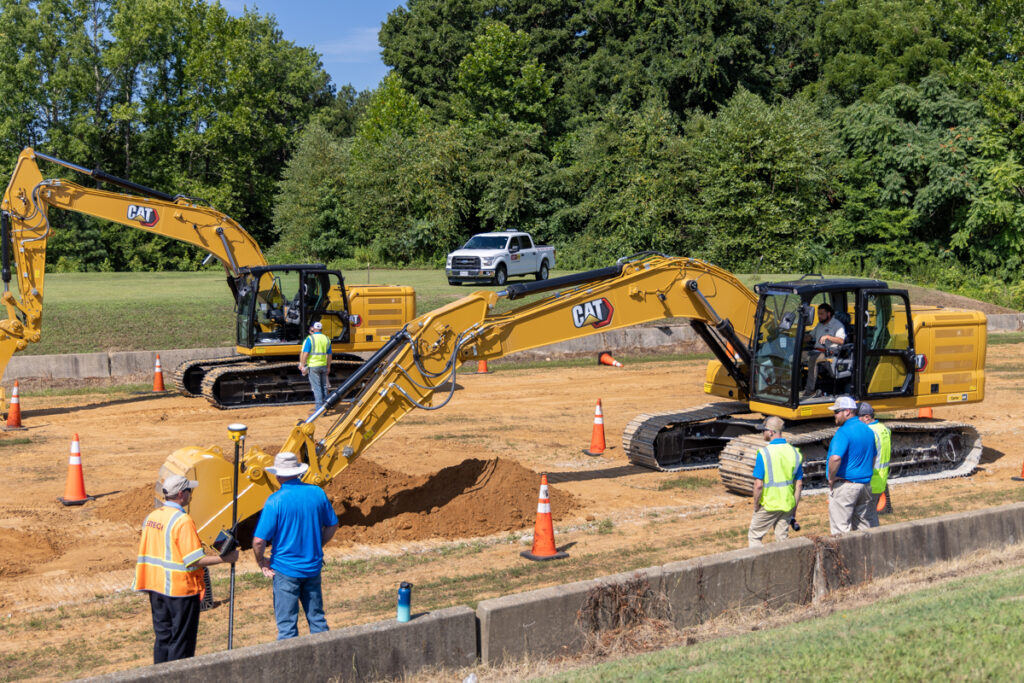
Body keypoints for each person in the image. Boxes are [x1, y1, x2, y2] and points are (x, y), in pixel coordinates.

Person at [133, 473, 238, 664]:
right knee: (181, 642)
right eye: (190, 490)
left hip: (156, 588)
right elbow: (193, 560)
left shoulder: (152, 517)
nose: (192, 494)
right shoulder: (183, 521)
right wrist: (224, 558)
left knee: (163, 638)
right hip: (180, 591)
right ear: (182, 494)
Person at [252, 451, 339, 640]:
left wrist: (261, 561)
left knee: (287, 628)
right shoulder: (317, 493)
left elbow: (259, 541)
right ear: (299, 472)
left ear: (277, 474)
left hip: (285, 570)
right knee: (317, 620)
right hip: (312, 568)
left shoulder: (275, 500)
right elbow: (333, 524)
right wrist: (318, 545)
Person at [748, 416, 804, 547]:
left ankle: (758, 566)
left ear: (771, 432)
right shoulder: (795, 453)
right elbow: (799, 485)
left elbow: (758, 485)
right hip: (787, 505)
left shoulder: (764, 453)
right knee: (782, 538)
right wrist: (793, 509)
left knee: (754, 536)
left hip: (769, 504)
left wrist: (756, 505)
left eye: (764, 430)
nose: (762, 433)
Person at [826, 395, 876, 534]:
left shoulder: (843, 432)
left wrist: (831, 478)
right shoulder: (868, 430)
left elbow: (835, 458)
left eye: (837, 412)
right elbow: (873, 456)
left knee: (841, 530)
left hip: (846, 486)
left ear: (847, 412)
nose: (834, 415)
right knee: (864, 528)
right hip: (864, 486)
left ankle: (845, 556)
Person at [802, 302, 847, 397]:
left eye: (822, 314)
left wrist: (828, 337)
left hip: (828, 353)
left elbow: (841, 341)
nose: (819, 316)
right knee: (794, 356)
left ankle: (809, 390)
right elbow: (810, 336)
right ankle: (791, 386)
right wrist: (798, 339)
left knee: (813, 360)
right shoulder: (820, 325)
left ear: (828, 314)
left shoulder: (837, 325)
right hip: (815, 351)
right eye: (818, 314)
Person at [858, 401, 892, 527]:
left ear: (867, 417)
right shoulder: (885, 429)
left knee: (867, 519)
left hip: (870, 481)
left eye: (858, 418)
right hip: (880, 481)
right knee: (870, 516)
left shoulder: (868, 432)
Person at [299, 321, 332, 409]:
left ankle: (319, 409)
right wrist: (328, 367)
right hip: (323, 365)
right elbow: (329, 355)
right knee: (324, 387)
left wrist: (302, 364)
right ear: (321, 329)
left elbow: (305, 353)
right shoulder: (326, 339)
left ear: (313, 328)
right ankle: (326, 407)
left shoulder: (310, 339)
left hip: (313, 366)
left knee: (317, 387)